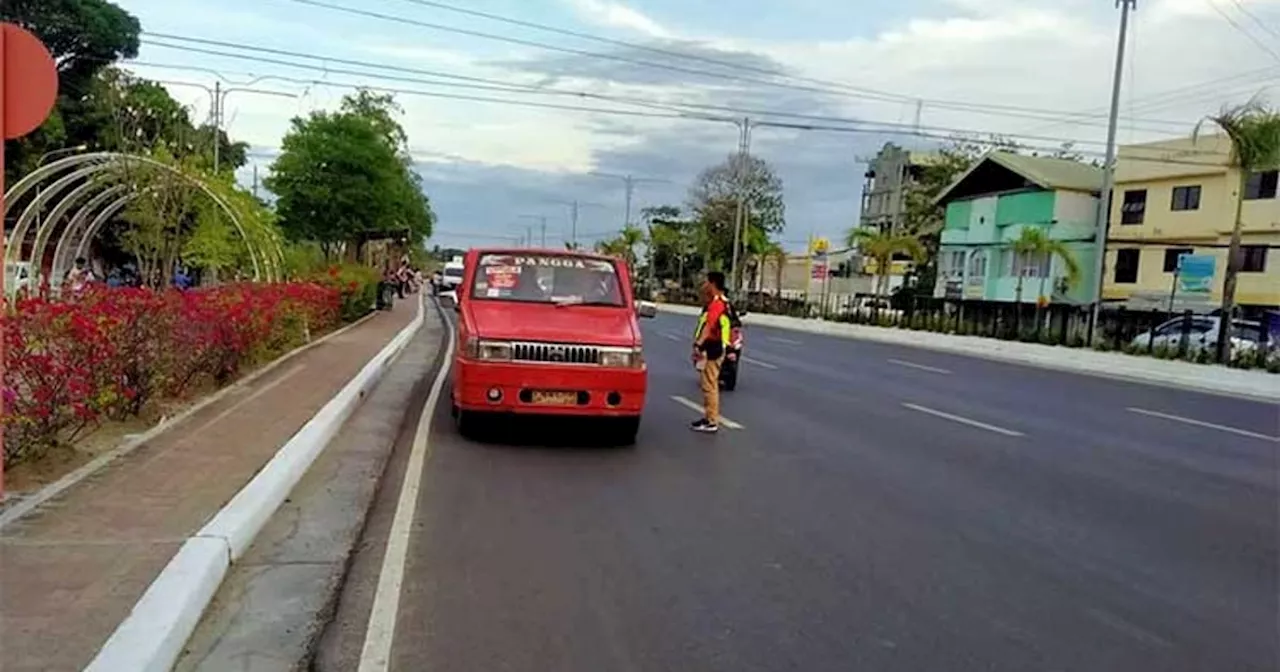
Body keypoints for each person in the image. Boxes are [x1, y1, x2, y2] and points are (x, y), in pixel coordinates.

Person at [690, 271, 731, 433]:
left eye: (706, 282)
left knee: (709, 385)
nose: (704, 285)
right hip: (713, 346)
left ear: (712, 283)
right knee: (708, 383)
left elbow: (709, 327)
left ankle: (711, 420)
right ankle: (708, 417)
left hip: (713, 347)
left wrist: (699, 344)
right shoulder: (717, 302)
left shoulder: (717, 304)